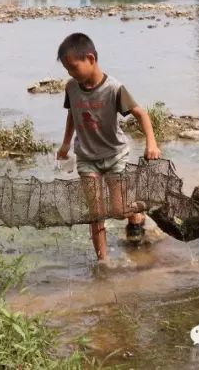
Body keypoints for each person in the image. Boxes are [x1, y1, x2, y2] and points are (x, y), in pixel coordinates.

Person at [56, 33, 161, 261]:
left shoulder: (114, 88)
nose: (71, 74)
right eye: (67, 70)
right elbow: (72, 115)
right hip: (86, 156)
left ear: (91, 59)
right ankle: (102, 262)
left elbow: (141, 114)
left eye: (73, 68)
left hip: (115, 155)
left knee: (118, 209)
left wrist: (151, 142)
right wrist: (65, 144)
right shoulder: (71, 88)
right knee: (96, 213)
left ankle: (137, 216)